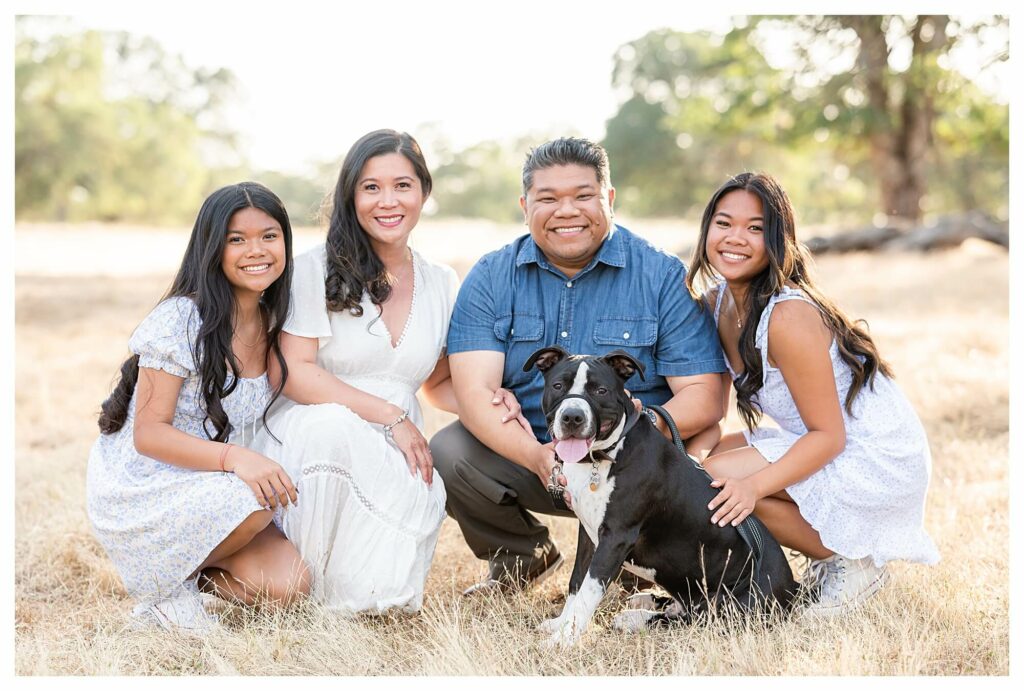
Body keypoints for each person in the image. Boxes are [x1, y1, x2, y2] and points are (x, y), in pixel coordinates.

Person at [430, 137, 727, 595]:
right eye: (548, 198)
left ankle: (635, 561)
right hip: (533, 457)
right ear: (525, 204)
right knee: (451, 450)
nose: (566, 211)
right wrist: (537, 456)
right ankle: (519, 555)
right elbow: (473, 393)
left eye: (583, 196)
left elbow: (705, 397)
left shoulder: (661, 275)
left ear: (608, 198)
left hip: (635, 465)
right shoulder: (491, 276)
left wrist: (631, 435)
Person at [688, 172, 940, 617]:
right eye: (724, 224)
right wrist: (688, 462)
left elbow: (830, 436)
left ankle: (849, 559)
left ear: (778, 239)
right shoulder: (715, 302)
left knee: (722, 483)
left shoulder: (788, 317)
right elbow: (712, 408)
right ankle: (824, 550)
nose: (735, 238)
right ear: (707, 228)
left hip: (873, 454)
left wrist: (752, 487)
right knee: (699, 475)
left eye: (755, 228)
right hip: (824, 440)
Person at [87, 182, 311, 632]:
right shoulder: (182, 318)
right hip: (147, 483)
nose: (257, 250)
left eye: (269, 236)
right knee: (256, 495)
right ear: (212, 247)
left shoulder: (275, 322)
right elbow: (149, 434)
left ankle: (184, 587)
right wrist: (237, 459)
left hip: (213, 483)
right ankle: (157, 588)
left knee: (292, 585)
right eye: (236, 239)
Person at [253, 129, 459, 615]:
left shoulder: (443, 281)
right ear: (351, 195)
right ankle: (293, 578)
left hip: (397, 440)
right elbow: (295, 374)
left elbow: (439, 382)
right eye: (371, 187)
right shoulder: (310, 268)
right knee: (334, 428)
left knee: (378, 596)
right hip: (313, 425)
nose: (388, 201)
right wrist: (388, 415)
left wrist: (495, 401)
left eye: (402, 186)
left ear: (424, 193)